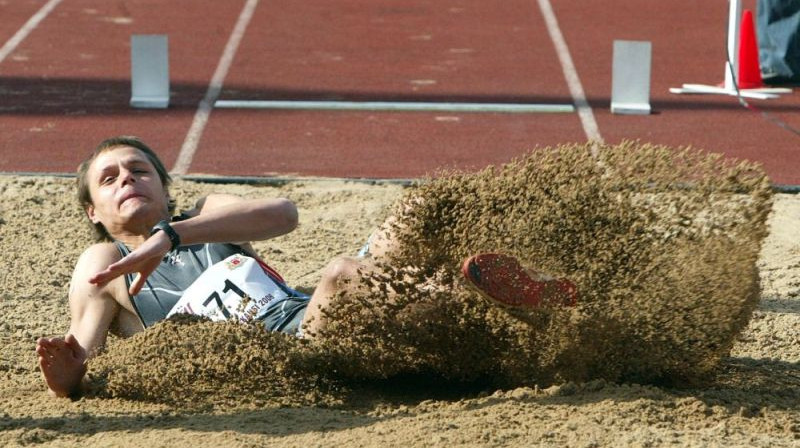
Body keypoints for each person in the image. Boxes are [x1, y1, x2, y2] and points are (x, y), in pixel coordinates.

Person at [35, 136, 576, 399]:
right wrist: (65, 375)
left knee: (416, 211)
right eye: (109, 179)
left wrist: (171, 235)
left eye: (139, 169)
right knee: (344, 273)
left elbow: (283, 214)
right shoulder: (104, 262)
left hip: (315, 315)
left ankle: (528, 285)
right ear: (94, 212)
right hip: (294, 355)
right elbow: (81, 354)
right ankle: (472, 293)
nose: (127, 179)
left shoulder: (203, 216)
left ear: (164, 186)